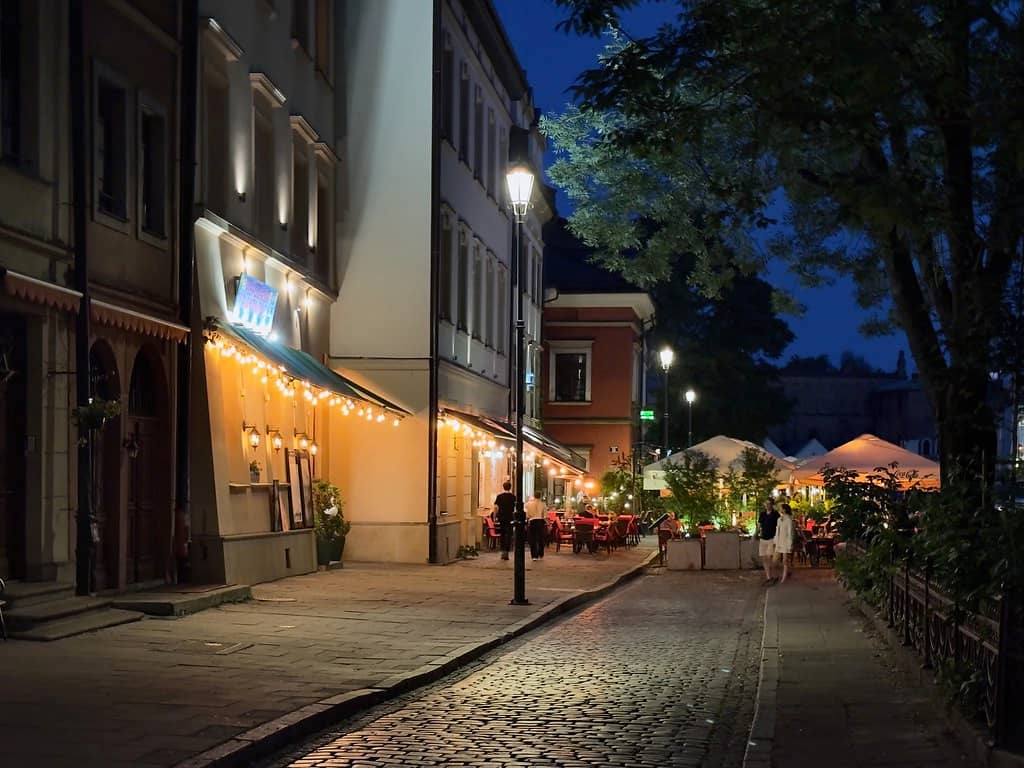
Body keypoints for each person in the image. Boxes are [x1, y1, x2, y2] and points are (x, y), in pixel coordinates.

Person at [492, 482, 516, 561]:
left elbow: (496, 508)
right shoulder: (513, 497)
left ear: (503, 487)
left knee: (502, 533)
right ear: (510, 487)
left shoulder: (499, 497)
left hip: (502, 517)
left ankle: (503, 550)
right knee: (509, 534)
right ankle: (507, 550)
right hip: (510, 517)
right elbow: (515, 509)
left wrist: (495, 517)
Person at [757, 498, 780, 583]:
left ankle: (774, 575)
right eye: (766, 504)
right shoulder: (762, 514)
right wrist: (755, 534)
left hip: (771, 538)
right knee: (764, 558)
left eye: (768, 504)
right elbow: (759, 525)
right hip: (763, 538)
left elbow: (778, 526)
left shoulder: (775, 514)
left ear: (771, 504)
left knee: (769, 557)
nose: (767, 505)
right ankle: (768, 576)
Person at [774, 502, 795, 583]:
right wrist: (776, 541)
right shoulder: (779, 519)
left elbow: (790, 533)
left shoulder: (789, 520)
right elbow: (777, 530)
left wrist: (790, 544)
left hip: (786, 542)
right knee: (775, 560)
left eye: (781, 507)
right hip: (779, 541)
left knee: (785, 561)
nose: (780, 509)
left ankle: (784, 578)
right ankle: (783, 574)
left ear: (784, 509)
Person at [525, 493, 547, 561]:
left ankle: (534, 556)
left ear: (534, 496)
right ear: (540, 496)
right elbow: (545, 516)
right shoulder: (543, 504)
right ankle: (541, 554)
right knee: (541, 538)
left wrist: (528, 521)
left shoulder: (528, 504)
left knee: (533, 539)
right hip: (540, 521)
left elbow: (527, 515)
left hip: (532, 521)